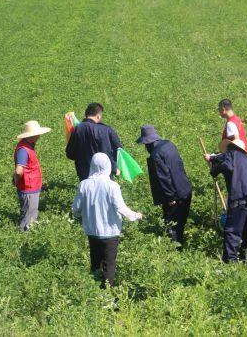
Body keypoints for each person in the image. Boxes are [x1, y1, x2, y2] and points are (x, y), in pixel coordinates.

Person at [72, 153, 143, 288]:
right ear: (107, 166)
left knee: (95, 262)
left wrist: (81, 215)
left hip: (92, 231)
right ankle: (107, 297)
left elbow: (76, 208)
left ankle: (94, 291)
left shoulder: (84, 185)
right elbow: (120, 207)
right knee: (108, 265)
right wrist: (136, 215)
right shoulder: (112, 186)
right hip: (110, 233)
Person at [136, 125, 192, 249]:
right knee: (181, 223)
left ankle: (174, 253)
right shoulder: (169, 144)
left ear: (148, 143)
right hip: (185, 188)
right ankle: (180, 247)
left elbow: (164, 177)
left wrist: (170, 197)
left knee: (171, 225)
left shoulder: (156, 154)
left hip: (174, 194)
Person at [205, 139, 247, 263]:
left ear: (231, 147)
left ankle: (230, 263)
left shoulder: (232, 154)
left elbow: (226, 164)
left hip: (239, 197)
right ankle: (246, 261)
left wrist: (213, 166)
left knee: (232, 231)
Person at [66, 103, 122, 181]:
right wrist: (114, 168)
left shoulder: (77, 129)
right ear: (98, 116)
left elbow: (70, 154)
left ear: (86, 114)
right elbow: (118, 150)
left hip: (84, 174)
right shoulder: (106, 130)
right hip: (105, 174)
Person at [13, 120, 51, 231]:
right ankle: (24, 237)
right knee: (28, 217)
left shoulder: (28, 145)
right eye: (37, 134)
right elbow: (19, 171)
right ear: (32, 135)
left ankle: (27, 235)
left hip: (32, 186)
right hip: (28, 187)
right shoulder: (23, 150)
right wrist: (15, 179)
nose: (39, 136)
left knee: (31, 213)